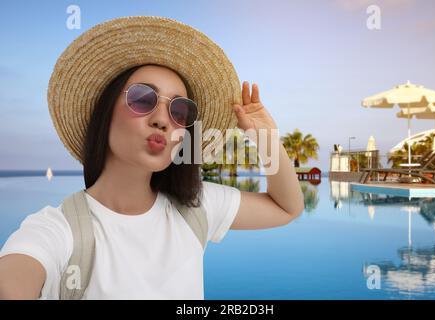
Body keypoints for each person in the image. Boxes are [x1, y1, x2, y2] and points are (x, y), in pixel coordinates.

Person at [0, 16, 304, 300]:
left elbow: (286, 208)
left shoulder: (196, 209)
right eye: (142, 98)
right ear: (105, 113)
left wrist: (267, 140)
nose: (162, 119)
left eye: (179, 111)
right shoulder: (57, 230)